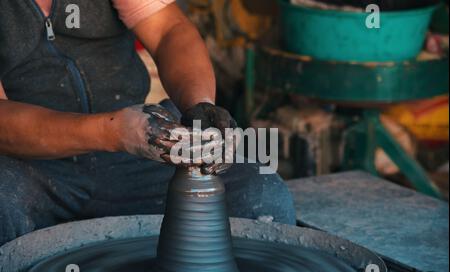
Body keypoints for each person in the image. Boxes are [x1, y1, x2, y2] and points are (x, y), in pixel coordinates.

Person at [0, 0, 296, 246]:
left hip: (136, 150)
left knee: (259, 194)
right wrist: (115, 131)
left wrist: (199, 106)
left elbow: (169, 31)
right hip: (31, 166)